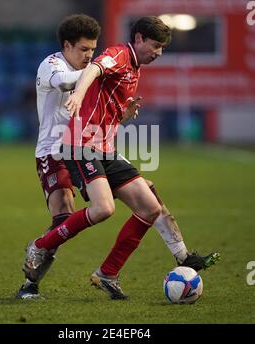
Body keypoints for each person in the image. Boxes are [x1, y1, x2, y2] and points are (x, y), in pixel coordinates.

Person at [20, 16, 220, 300]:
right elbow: (68, 82)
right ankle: (31, 280)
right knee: (66, 215)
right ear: (67, 46)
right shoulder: (55, 65)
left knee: (148, 200)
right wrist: (98, 72)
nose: (90, 56)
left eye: (93, 49)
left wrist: (119, 113)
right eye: (83, 50)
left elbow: (101, 107)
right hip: (57, 150)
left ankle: (161, 260)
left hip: (97, 145)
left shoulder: (125, 67)